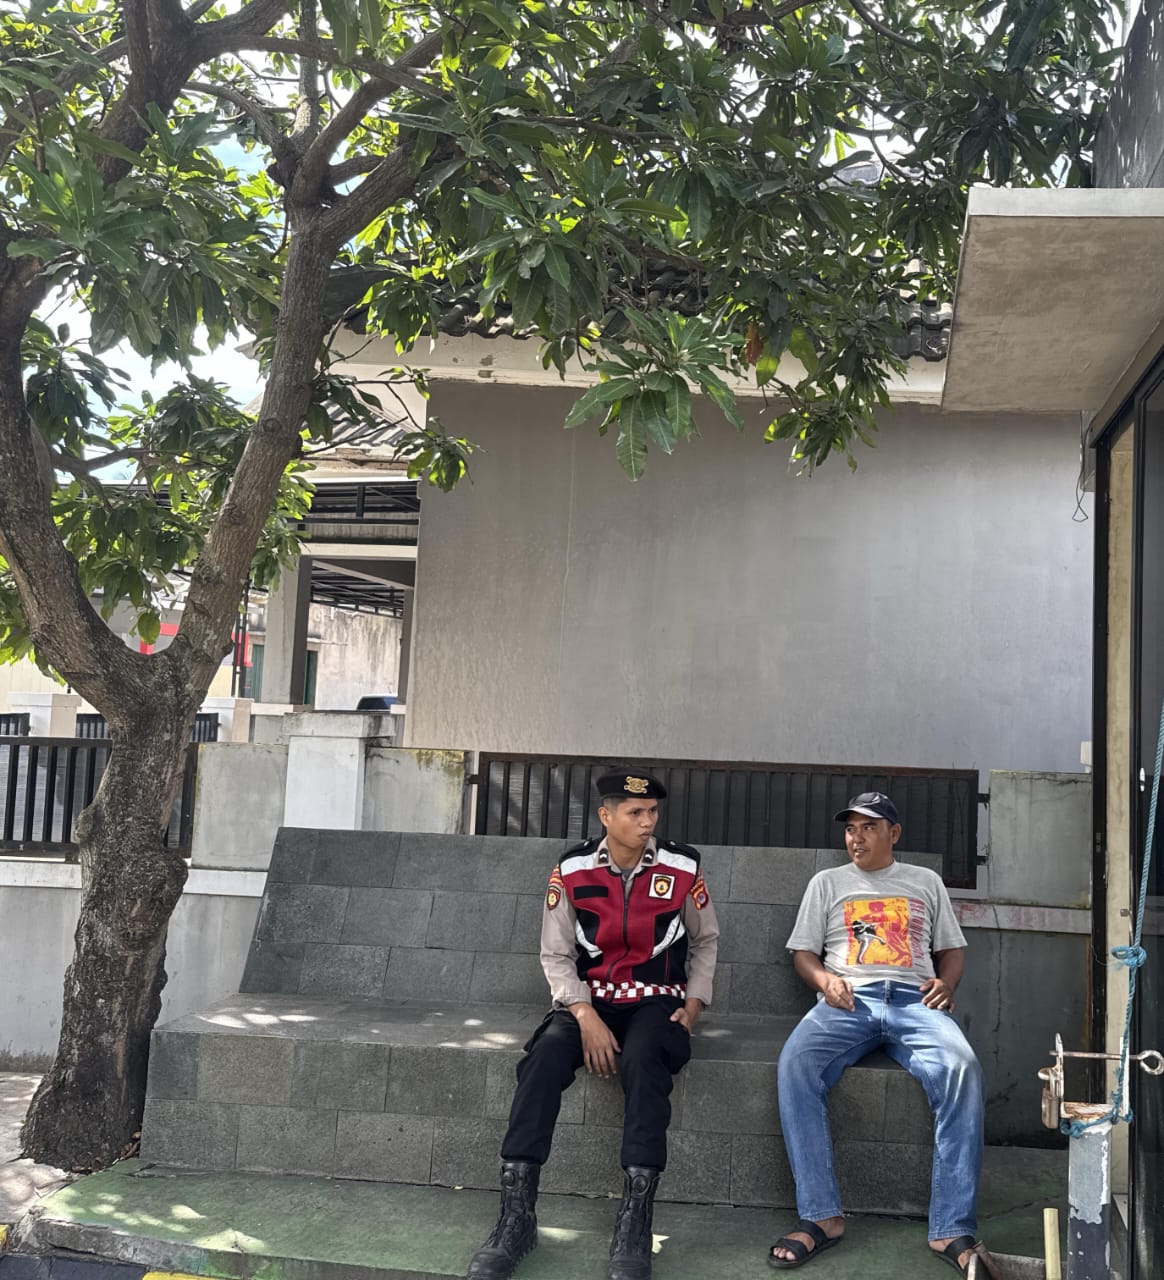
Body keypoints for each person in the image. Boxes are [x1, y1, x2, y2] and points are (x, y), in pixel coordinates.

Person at [466, 770, 719, 1280]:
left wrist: (693, 1007)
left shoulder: (682, 866)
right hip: (590, 1000)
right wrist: (584, 1015)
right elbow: (556, 955)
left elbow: (706, 939)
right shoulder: (572, 868)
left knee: (645, 1060)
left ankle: (634, 1224)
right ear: (606, 816)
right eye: (635, 813)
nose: (647, 822)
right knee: (542, 1059)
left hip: (655, 1001)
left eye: (652, 812)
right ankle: (516, 1218)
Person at [769, 792, 1002, 1279]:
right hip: (847, 999)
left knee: (962, 1068)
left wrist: (946, 983)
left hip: (915, 1000)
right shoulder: (826, 883)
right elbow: (803, 954)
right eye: (850, 828)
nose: (857, 837)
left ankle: (951, 1227)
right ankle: (821, 1216)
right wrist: (825, 981)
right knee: (796, 1063)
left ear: (893, 833)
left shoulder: (925, 881)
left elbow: (952, 950)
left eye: (869, 827)